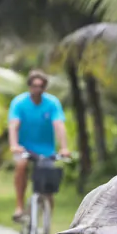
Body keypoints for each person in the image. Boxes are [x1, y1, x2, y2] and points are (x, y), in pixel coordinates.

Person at [8, 69, 70, 221]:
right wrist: (14, 144)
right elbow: (13, 125)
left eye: (41, 86)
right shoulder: (19, 103)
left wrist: (64, 147)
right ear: (29, 87)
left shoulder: (52, 103)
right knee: (21, 166)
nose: (38, 89)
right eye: (34, 86)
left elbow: (59, 125)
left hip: (46, 149)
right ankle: (19, 206)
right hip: (24, 147)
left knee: (48, 184)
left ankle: (47, 220)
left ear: (45, 87)